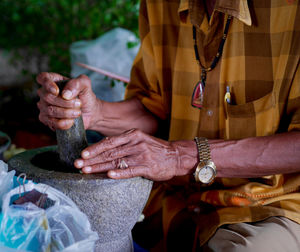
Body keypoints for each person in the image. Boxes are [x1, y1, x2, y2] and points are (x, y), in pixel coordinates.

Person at [36, 0, 300, 251]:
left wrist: (179, 157)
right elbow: (155, 109)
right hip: (174, 199)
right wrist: (98, 113)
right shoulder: (159, 4)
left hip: (270, 204)